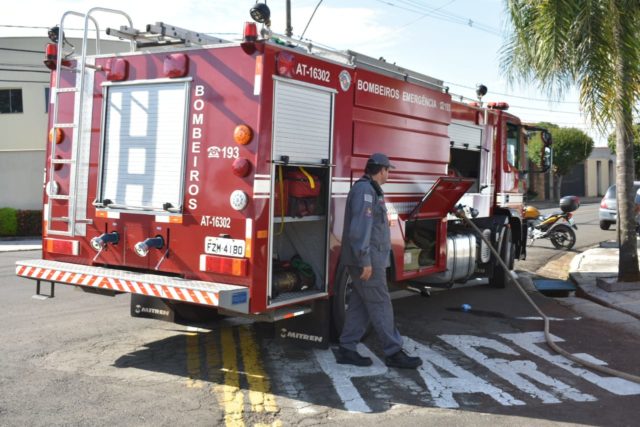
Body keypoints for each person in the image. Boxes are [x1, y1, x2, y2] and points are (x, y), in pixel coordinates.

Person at [335, 153, 422, 369]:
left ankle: (347, 348)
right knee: (381, 304)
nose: (389, 174)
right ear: (381, 170)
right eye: (388, 170)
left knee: (360, 305)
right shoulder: (365, 191)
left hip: (369, 259)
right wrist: (365, 261)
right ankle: (393, 352)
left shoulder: (371, 190)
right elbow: (359, 230)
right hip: (368, 261)